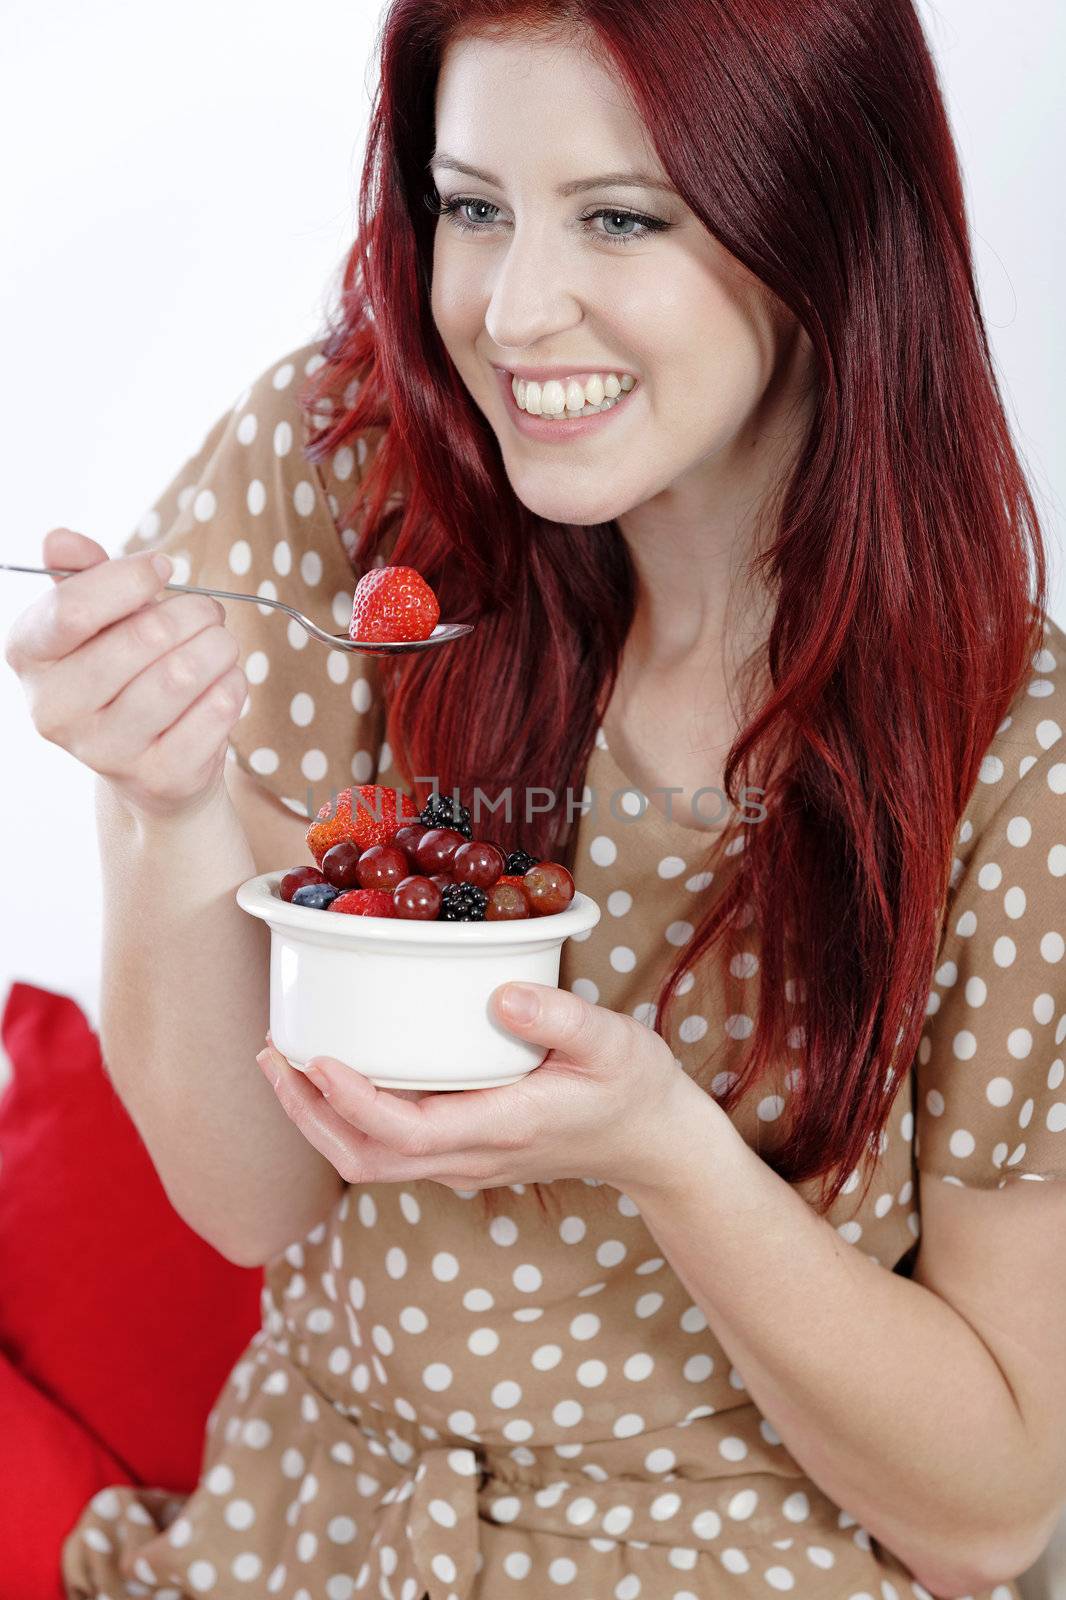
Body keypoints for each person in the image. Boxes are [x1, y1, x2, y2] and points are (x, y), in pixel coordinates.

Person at [5, 1, 1065, 1596]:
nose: (511, 309)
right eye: (474, 207)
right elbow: (246, 1201)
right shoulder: (341, 482)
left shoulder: (1013, 748)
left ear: (826, 227)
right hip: (304, 1536)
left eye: (620, 218)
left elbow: (987, 1519)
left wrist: (666, 1150)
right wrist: (167, 811)